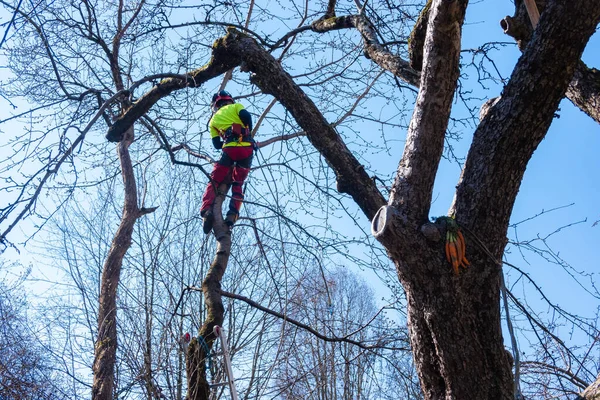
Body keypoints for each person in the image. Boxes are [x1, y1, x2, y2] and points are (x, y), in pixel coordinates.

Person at [200, 90, 255, 234]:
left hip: (229, 149)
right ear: (230, 100)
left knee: (215, 180)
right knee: (238, 183)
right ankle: (232, 215)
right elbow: (246, 116)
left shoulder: (213, 120)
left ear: (216, 105)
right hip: (246, 149)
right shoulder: (236, 107)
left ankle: (206, 210)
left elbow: (217, 145)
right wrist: (248, 131)